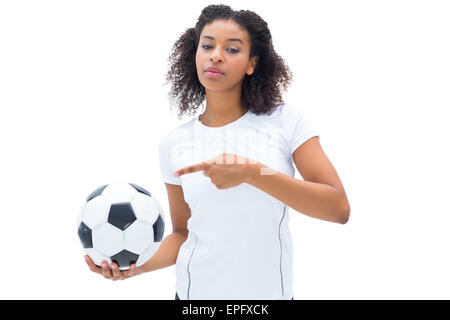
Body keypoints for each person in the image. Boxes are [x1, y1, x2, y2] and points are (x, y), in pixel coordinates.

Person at [85, 4, 350, 300]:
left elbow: (338, 208)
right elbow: (183, 234)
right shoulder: (175, 142)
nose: (216, 55)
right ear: (194, 54)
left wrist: (252, 173)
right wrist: (135, 266)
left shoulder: (285, 122)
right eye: (207, 45)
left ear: (252, 63)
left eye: (232, 49)